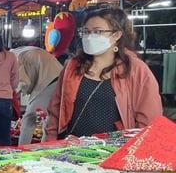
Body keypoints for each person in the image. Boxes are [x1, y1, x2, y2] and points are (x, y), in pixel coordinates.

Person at [45, 8, 163, 140]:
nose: (90, 36)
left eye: (97, 31)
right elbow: (55, 111)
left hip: (116, 150)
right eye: (86, 32)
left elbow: (149, 118)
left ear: (116, 35)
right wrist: (50, 143)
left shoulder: (136, 69)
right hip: (72, 149)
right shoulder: (72, 66)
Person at [11, 46, 63, 145]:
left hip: (49, 82)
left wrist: (15, 94)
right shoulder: (19, 52)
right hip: (59, 78)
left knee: (29, 119)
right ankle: (44, 149)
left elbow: (23, 82)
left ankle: (22, 150)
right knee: (49, 120)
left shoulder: (15, 58)